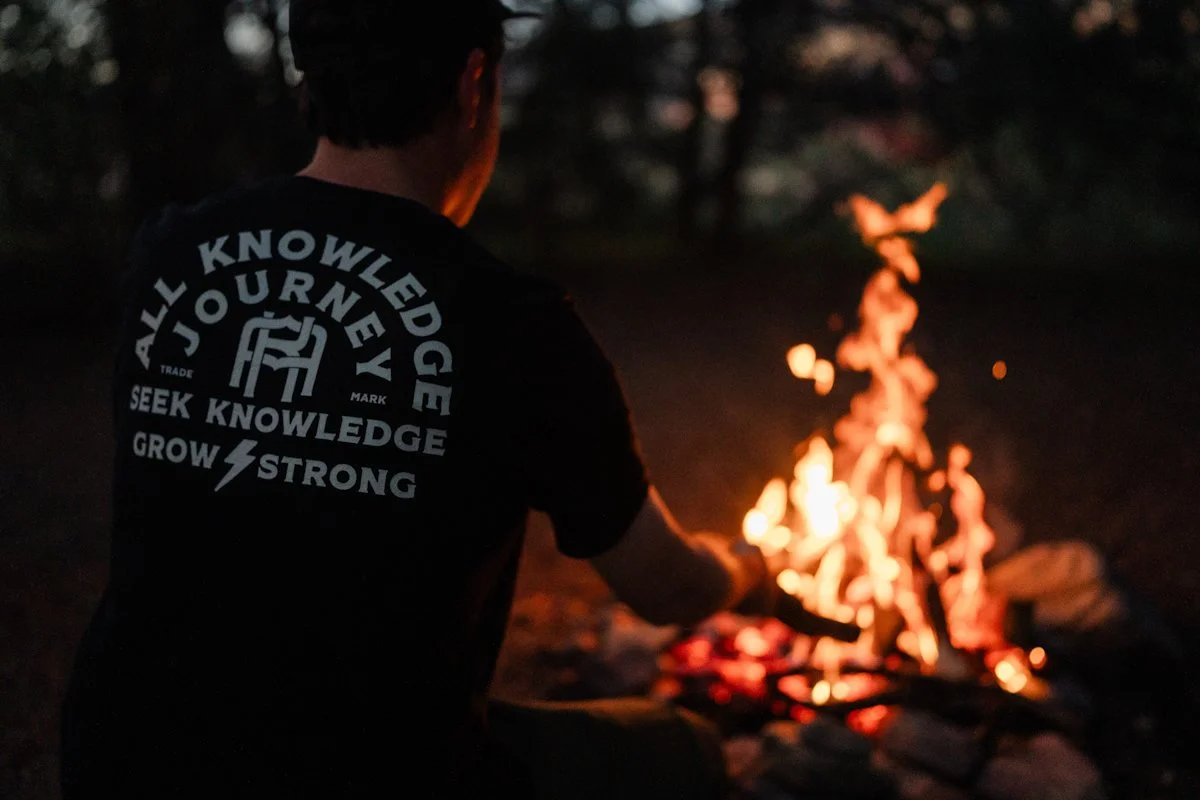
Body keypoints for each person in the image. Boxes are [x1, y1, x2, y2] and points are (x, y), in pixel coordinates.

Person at [60, 2, 858, 797]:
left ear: (312, 85)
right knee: (681, 750)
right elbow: (667, 589)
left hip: (121, 758)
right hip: (366, 775)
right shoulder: (514, 323)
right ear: (474, 83)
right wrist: (747, 568)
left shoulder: (172, 252)